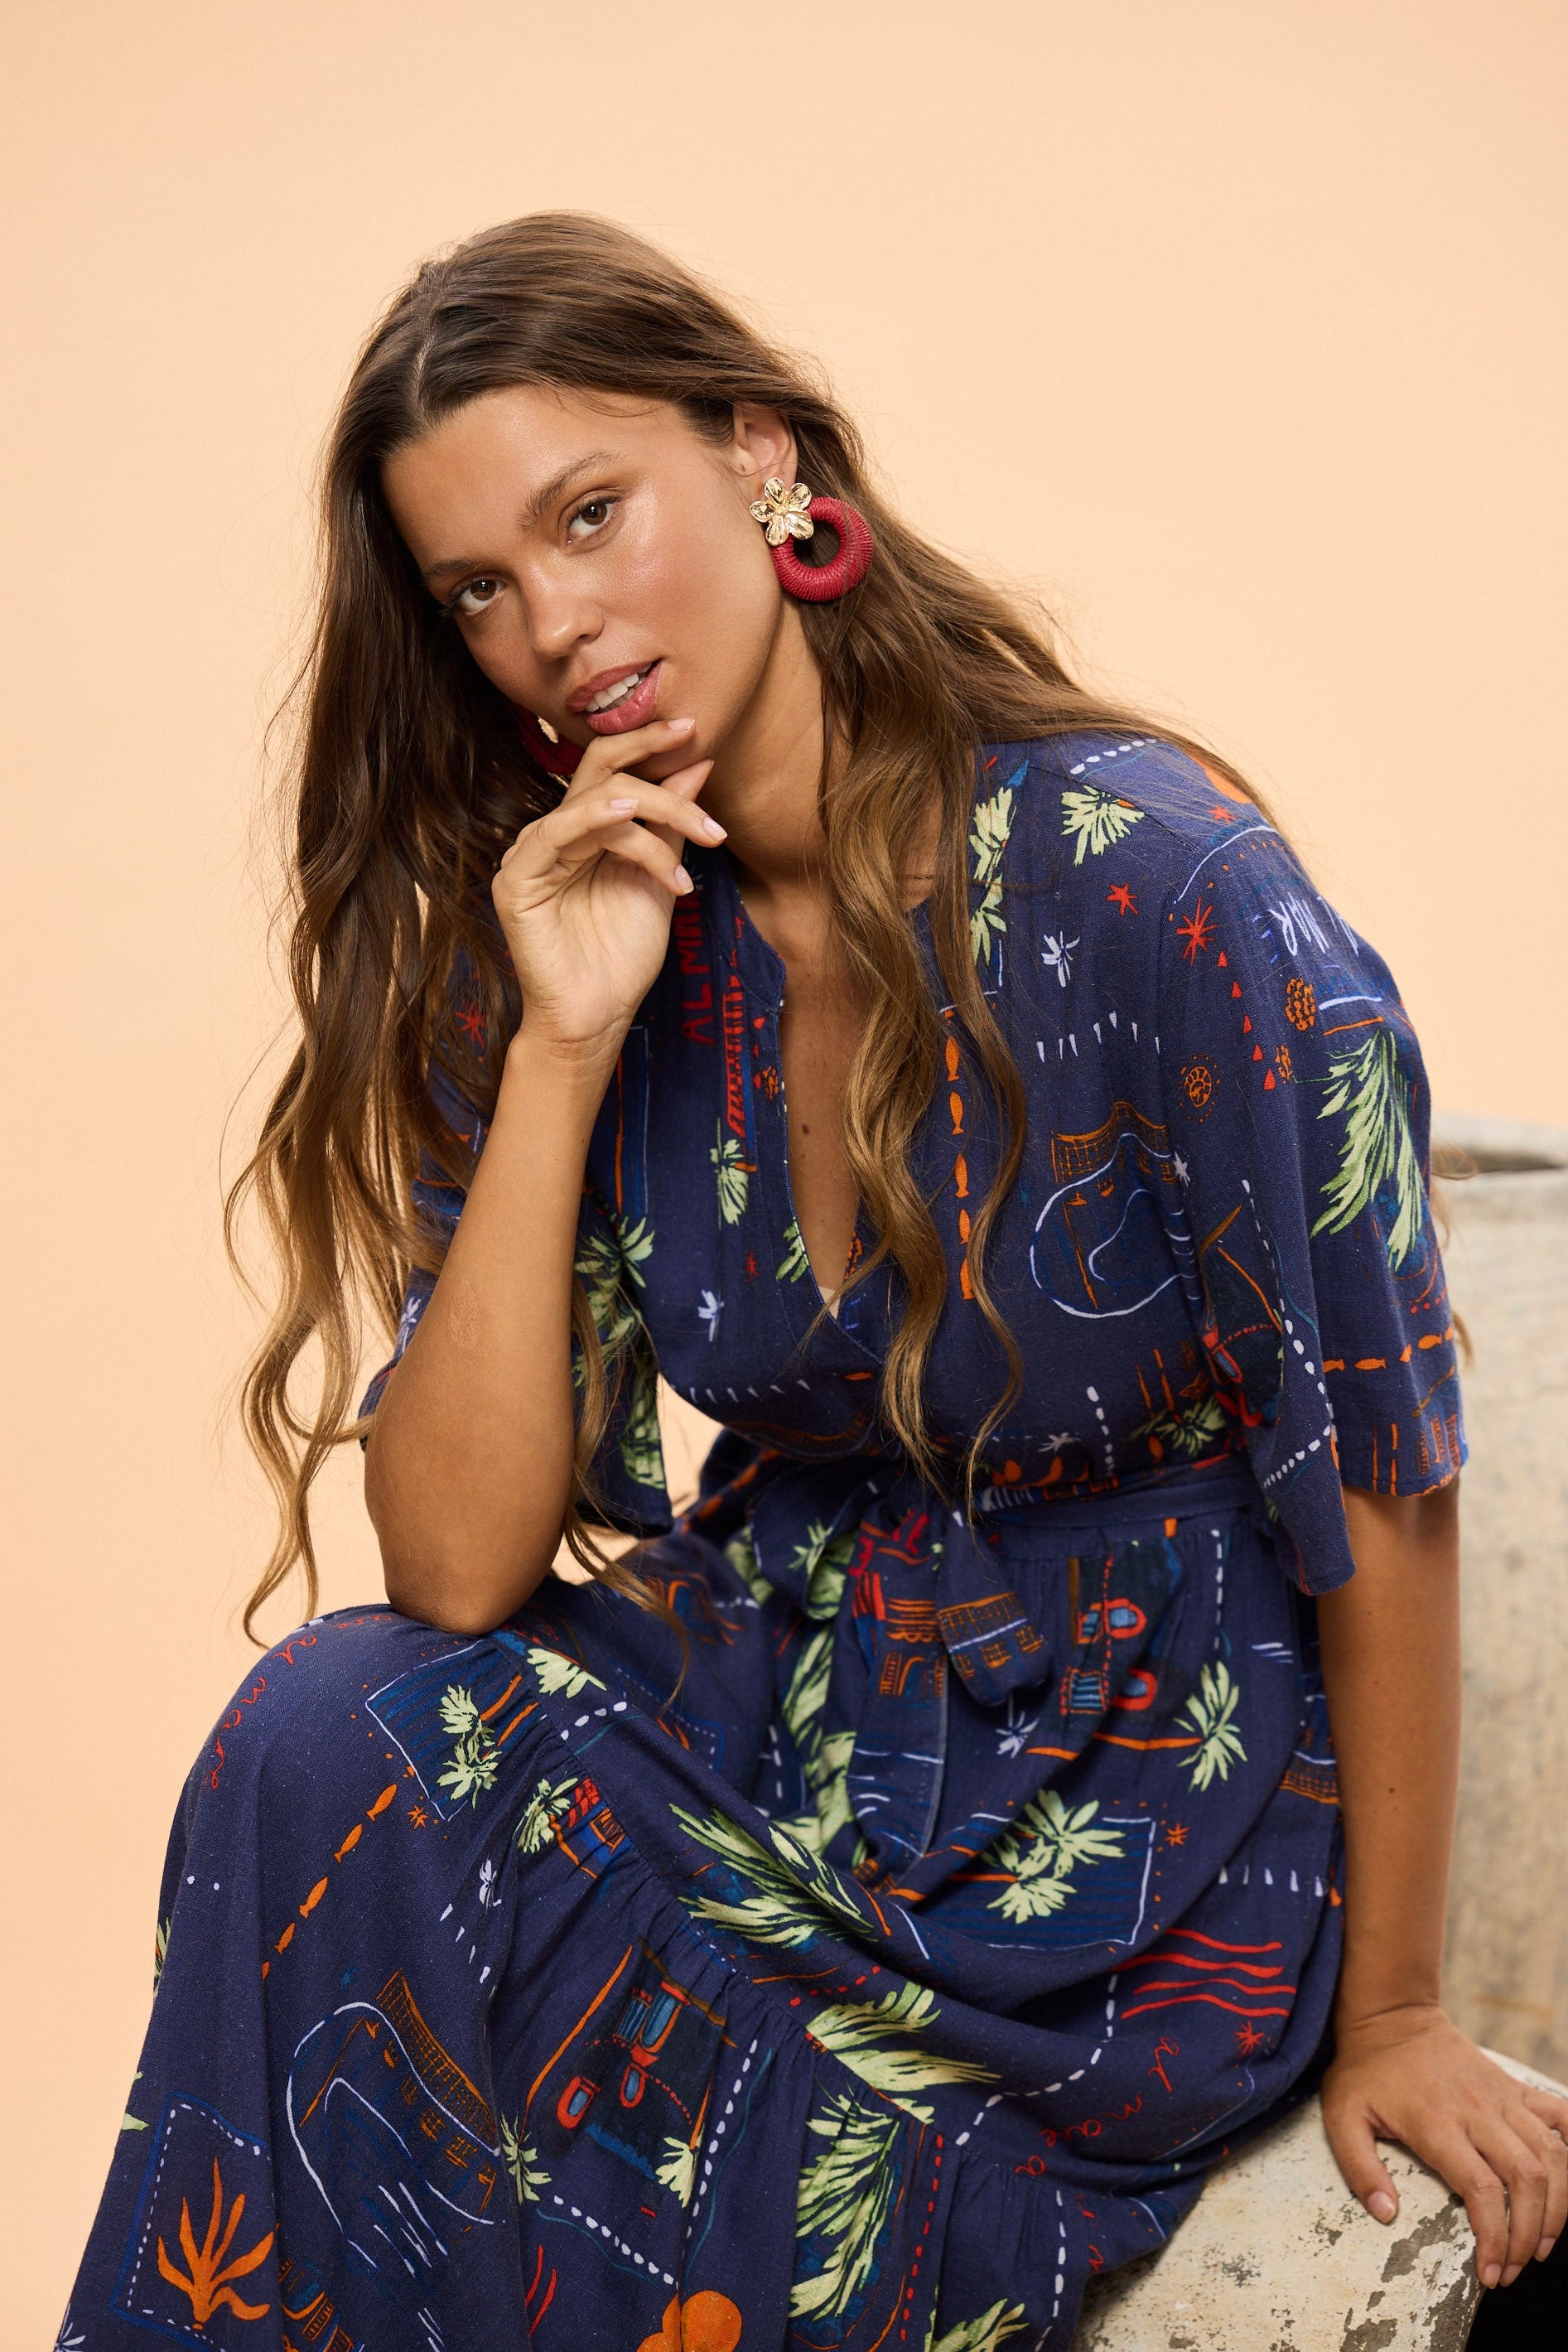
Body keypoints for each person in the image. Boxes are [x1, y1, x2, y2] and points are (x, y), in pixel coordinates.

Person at [65, 214, 1566, 2352]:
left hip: (1113, 1868)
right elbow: (459, 1562)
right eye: (480, 590)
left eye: (591, 517)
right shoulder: (591, 920)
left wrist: (1399, 2008)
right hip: (785, 1735)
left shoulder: (1155, 889)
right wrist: (567, 1038)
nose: (552, 628)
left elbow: (1388, 1461)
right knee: (324, 1738)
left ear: (763, 459)